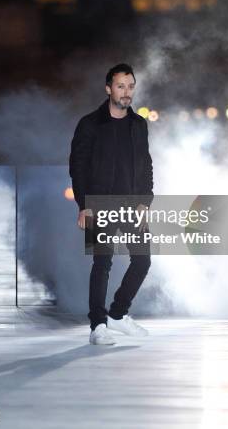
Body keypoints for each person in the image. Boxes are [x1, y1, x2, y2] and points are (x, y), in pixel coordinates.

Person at [69, 63, 154, 345]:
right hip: (100, 203)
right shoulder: (90, 124)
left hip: (132, 204)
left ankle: (118, 314)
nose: (126, 92)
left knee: (142, 261)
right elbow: (77, 167)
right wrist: (84, 204)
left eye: (130, 86)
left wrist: (144, 202)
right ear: (108, 89)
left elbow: (146, 166)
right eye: (121, 86)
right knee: (102, 263)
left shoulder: (138, 125)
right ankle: (98, 326)